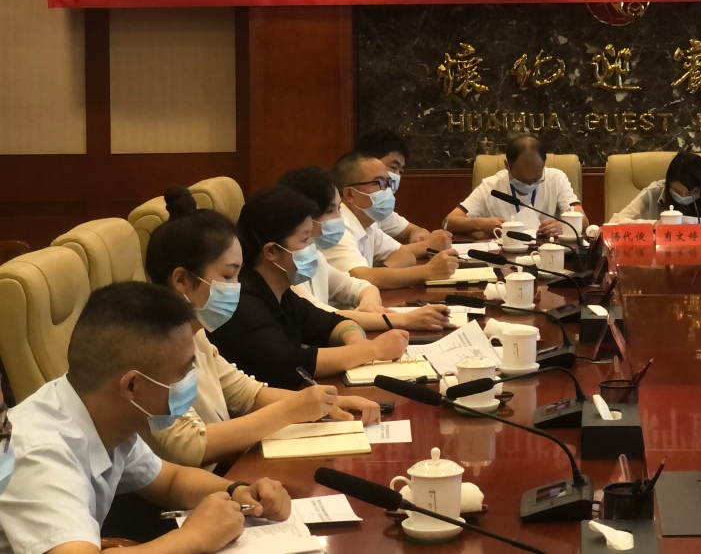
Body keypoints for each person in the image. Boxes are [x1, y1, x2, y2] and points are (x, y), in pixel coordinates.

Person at [0, 282, 291, 554]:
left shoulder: (106, 415)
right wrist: (194, 538)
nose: (192, 380)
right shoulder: (38, 453)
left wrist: (238, 491)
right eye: (184, 372)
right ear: (131, 386)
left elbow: (171, 481)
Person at [142, 187, 380, 468]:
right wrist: (292, 410)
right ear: (182, 280)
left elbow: (247, 394)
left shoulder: (196, 334)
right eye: (227, 275)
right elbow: (191, 444)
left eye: (238, 274)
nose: (237, 287)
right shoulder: (148, 349)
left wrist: (326, 402)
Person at [207, 185, 411, 389]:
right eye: (305, 240)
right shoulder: (244, 300)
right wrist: (372, 350)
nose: (313, 248)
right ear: (272, 251)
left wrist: (354, 339)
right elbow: (288, 364)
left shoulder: (281, 293)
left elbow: (330, 323)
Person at [278, 166, 452, 333]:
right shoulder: (284, 263)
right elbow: (319, 315)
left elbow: (361, 285)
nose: (340, 217)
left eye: (339, 208)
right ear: (303, 216)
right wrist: (404, 320)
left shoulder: (314, 255)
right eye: (331, 211)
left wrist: (370, 304)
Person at [325, 153, 460, 290]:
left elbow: (404, 255)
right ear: (350, 194)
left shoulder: (368, 223)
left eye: (388, 183)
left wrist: (382, 274)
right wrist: (427, 271)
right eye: (377, 183)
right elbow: (359, 278)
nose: (387, 190)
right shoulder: (336, 227)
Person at [447, 136, 590, 238]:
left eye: (536, 179)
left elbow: (584, 221)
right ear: (507, 166)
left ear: (543, 164)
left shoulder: (556, 179)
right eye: (522, 180)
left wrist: (562, 226)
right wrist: (481, 224)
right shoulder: (491, 186)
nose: (529, 184)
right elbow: (450, 222)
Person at [353, 130, 452, 248]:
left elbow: (407, 236)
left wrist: (419, 235)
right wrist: (428, 245)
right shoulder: (344, 220)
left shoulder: (377, 209)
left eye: (401, 171)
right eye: (393, 167)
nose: (397, 176)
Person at [609, 151, 701, 225]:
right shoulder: (656, 190)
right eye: (676, 191)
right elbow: (615, 222)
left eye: (691, 192)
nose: (683, 197)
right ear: (668, 184)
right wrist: (655, 225)